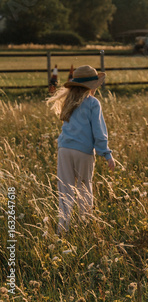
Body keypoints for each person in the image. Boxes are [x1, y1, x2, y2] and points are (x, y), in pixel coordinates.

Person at [47, 65, 115, 234]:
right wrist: (106, 154)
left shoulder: (68, 100)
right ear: (92, 86)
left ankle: (62, 228)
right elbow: (99, 132)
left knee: (65, 189)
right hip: (83, 152)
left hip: (64, 149)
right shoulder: (93, 103)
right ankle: (85, 225)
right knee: (84, 187)